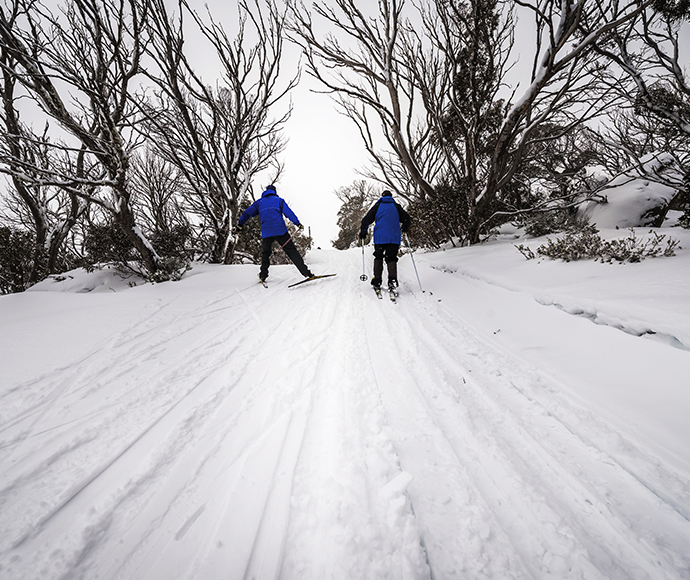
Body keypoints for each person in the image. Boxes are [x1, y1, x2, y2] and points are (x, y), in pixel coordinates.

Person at [236, 184, 314, 282]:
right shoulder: (279, 201)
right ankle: (306, 273)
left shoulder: (259, 203)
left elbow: (247, 213)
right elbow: (288, 213)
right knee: (292, 251)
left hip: (267, 232)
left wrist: (239, 225)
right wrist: (297, 223)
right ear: (274, 192)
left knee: (266, 253)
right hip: (280, 230)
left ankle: (263, 275)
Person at [359, 190, 411, 291]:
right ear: (391, 197)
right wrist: (405, 228)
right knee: (391, 258)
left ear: (382, 196)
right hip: (394, 237)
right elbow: (407, 218)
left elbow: (366, 220)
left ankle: (377, 280)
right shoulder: (396, 206)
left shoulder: (377, 206)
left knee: (378, 257)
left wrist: (363, 231)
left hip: (380, 238)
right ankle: (392, 280)